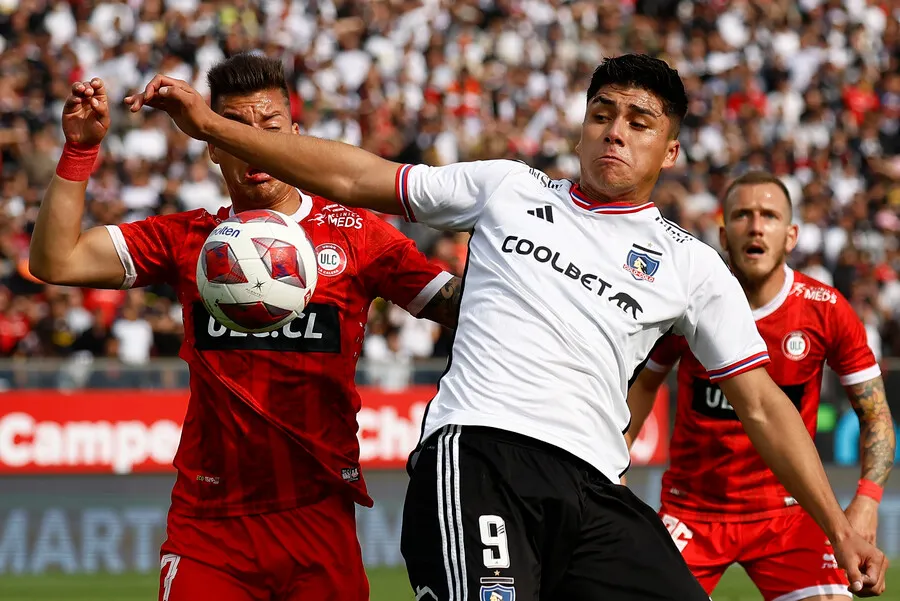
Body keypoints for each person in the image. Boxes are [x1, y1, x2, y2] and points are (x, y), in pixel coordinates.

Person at [125, 53, 888, 600]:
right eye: (602, 114)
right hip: (479, 453)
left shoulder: (692, 266)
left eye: (638, 121)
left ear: (672, 148)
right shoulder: (508, 187)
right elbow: (353, 175)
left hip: (594, 485)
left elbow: (763, 406)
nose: (614, 132)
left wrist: (841, 526)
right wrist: (210, 128)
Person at [29, 53, 461, 601]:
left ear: (296, 138)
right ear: (211, 145)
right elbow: (56, 261)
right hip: (210, 526)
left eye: (271, 129)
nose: (254, 145)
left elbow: (460, 308)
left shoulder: (357, 233)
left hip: (319, 517)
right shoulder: (189, 239)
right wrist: (80, 149)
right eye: (234, 129)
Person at [624, 171, 895, 601]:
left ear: (790, 236)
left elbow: (876, 413)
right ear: (723, 233)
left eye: (768, 215)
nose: (755, 225)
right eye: (743, 215)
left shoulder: (827, 311)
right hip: (691, 513)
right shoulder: (688, 303)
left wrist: (867, 500)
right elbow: (641, 387)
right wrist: (614, 470)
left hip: (789, 515)